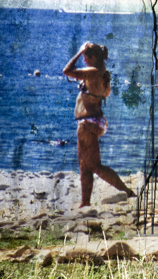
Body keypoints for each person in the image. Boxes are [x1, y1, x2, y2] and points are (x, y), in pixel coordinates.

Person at [63, 42, 135, 208]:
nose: (84, 60)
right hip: (96, 120)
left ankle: (128, 192)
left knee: (94, 166)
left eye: (85, 57)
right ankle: (85, 202)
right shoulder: (104, 73)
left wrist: (78, 52)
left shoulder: (93, 72)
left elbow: (66, 70)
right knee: (85, 165)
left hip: (88, 123)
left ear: (93, 57)